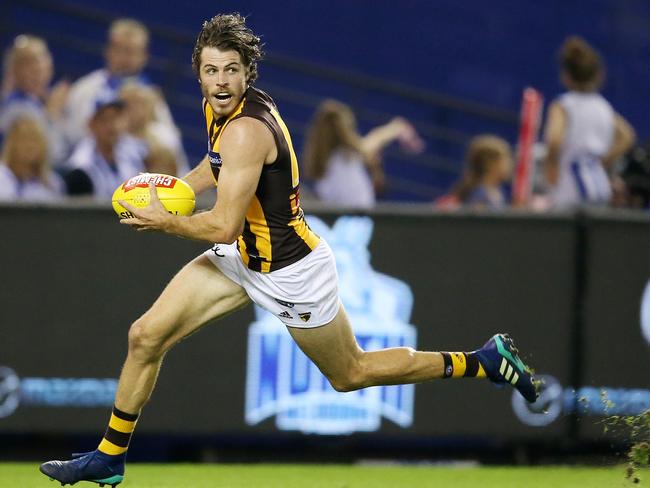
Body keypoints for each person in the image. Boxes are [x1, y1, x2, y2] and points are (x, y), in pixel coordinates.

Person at [40, 14, 539, 486]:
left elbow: (221, 224)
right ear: (198, 72)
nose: (220, 81)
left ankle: (483, 360)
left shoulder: (247, 130)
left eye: (231, 70)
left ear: (247, 72)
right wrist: (173, 188)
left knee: (351, 374)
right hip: (244, 257)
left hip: (293, 270)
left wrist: (165, 219)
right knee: (146, 335)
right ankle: (109, 457)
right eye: (210, 69)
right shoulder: (221, 109)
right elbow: (216, 169)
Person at [543, 36, 636, 209]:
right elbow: (626, 136)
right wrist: (600, 162)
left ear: (566, 76)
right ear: (598, 75)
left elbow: (554, 139)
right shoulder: (603, 107)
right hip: (599, 185)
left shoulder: (563, 105)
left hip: (570, 186)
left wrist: (551, 166)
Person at [62, 18, 179, 149]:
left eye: (131, 52)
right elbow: (71, 136)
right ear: (108, 51)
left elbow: (172, 146)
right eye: (119, 49)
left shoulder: (151, 97)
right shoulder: (86, 88)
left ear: (144, 56)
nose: (124, 58)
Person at [302, 99, 423, 208]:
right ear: (344, 130)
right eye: (349, 127)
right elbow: (378, 138)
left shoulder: (320, 161)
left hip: (336, 220)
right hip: (355, 218)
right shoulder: (349, 155)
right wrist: (398, 126)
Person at [0, 34, 69, 165]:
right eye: (27, 63)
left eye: (41, 60)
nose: (37, 68)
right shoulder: (16, 109)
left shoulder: (39, 102)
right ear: (14, 71)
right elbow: (52, 155)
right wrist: (52, 114)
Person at [64, 98, 146, 199]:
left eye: (117, 118)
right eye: (105, 119)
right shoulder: (81, 165)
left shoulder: (133, 151)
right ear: (91, 124)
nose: (113, 125)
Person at [119, 82, 188, 176]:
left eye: (140, 103)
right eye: (128, 104)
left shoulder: (164, 135)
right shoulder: (114, 139)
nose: (135, 109)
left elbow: (181, 170)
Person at [436, 135, 512, 210]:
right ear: (490, 164)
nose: (510, 164)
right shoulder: (479, 195)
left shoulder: (498, 191)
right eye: (506, 159)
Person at [0, 116, 64, 201]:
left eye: (35, 140)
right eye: (24, 140)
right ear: (12, 145)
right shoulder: (3, 176)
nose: (30, 146)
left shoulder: (53, 183)